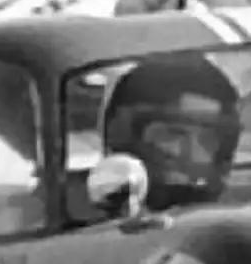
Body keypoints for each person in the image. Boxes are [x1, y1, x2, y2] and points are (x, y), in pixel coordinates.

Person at [102, 52, 241, 210]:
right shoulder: (87, 219)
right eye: (174, 134)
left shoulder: (235, 219)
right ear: (122, 135)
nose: (193, 154)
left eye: (207, 140)